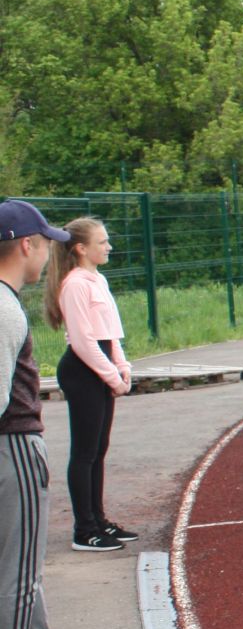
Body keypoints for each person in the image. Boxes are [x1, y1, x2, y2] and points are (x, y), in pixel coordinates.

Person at [0, 201, 94, 629]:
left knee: (18, 565)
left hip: (11, 446)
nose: (46, 255)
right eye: (44, 243)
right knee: (19, 568)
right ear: (25, 246)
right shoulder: (5, 308)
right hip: (12, 447)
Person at [44, 219, 137, 551]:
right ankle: (84, 530)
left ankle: (99, 520)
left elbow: (110, 333)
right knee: (84, 452)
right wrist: (111, 376)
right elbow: (84, 341)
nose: (108, 246)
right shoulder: (75, 285)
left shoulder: (98, 279)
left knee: (98, 450)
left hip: (100, 368)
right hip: (83, 371)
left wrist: (122, 367)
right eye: (102, 242)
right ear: (81, 248)